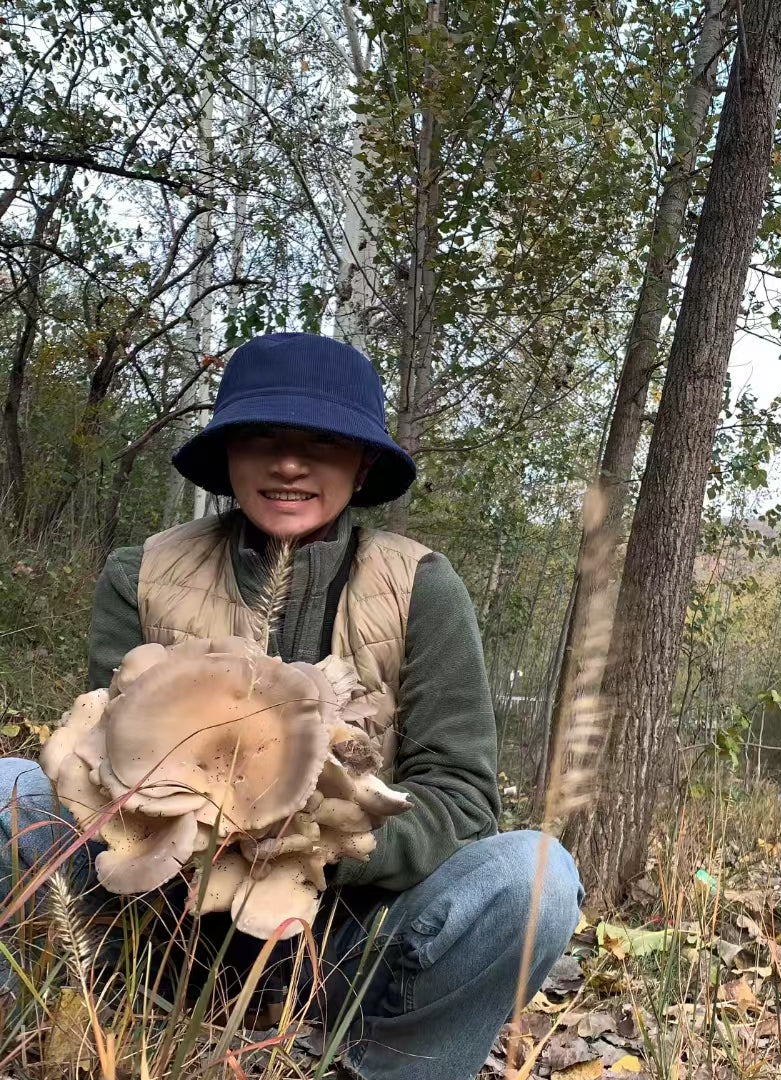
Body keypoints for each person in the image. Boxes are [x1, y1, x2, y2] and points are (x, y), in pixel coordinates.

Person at [0, 331, 582, 1079]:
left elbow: (463, 801)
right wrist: (208, 835)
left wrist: (313, 839)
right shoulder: (140, 572)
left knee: (535, 874)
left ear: (363, 462)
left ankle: (387, 1063)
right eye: (261, 437)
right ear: (229, 455)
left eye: (322, 443)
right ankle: (64, 1030)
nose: (288, 463)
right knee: (11, 788)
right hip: (158, 926)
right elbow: (102, 760)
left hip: (346, 944)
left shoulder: (422, 587)